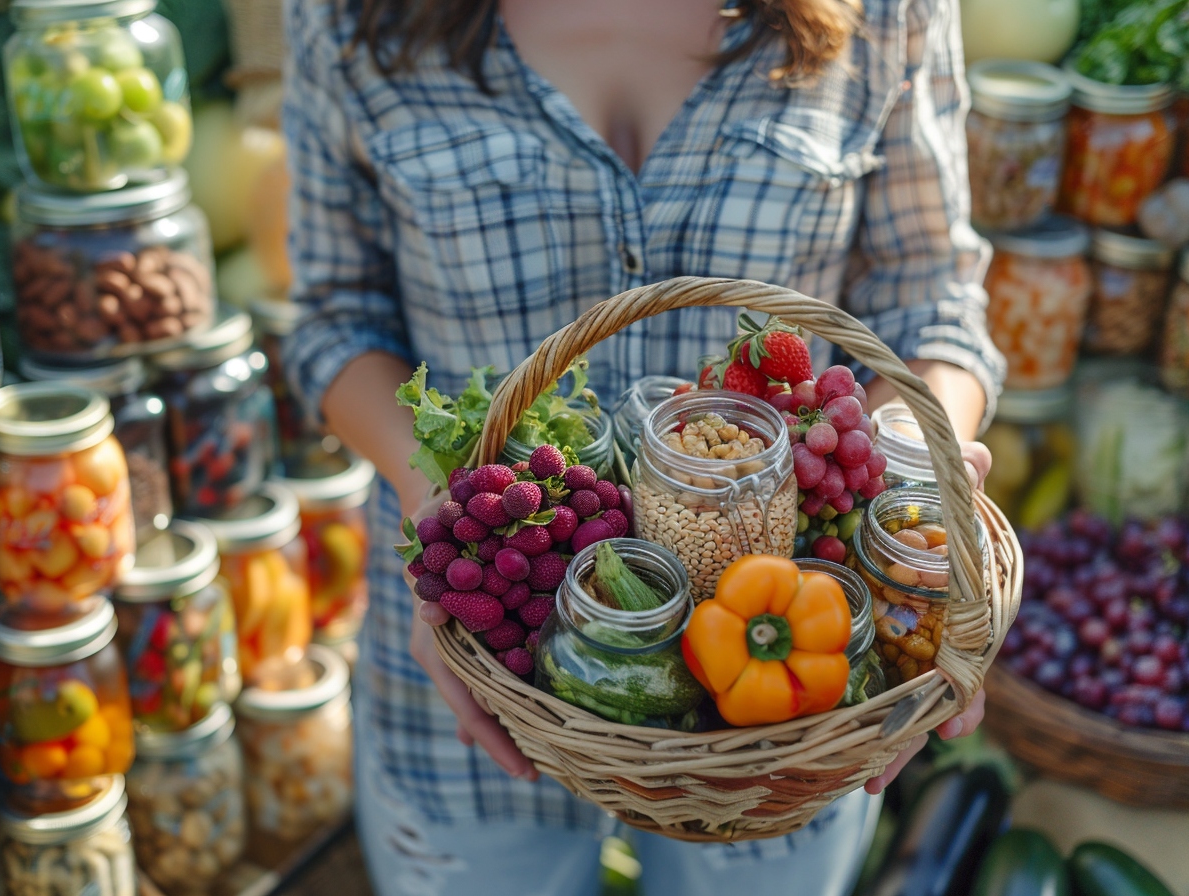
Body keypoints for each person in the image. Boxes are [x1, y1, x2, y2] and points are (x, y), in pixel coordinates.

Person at [281, 0, 1004, 892]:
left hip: (782, 698)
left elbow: (932, 300)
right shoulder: (351, 18)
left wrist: (900, 463)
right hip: (484, 635)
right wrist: (436, 503)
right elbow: (332, 316)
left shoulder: (889, 11)